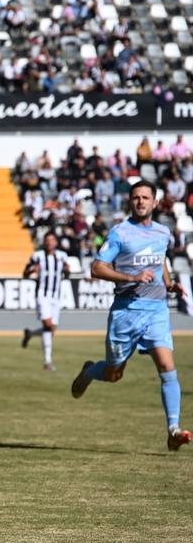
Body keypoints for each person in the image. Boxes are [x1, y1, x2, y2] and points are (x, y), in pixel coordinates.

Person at [71, 180, 192, 452]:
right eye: (136, 197)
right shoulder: (120, 234)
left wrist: (169, 282)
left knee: (167, 367)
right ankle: (90, 370)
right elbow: (97, 268)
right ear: (130, 201)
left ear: (155, 202)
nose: (140, 201)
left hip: (156, 311)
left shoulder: (162, 233)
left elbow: (158, 259)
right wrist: (131, 277)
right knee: (115, 374)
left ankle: (173, 430)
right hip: (126, 312)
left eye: (145, 197)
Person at [22, 231, 69, 371]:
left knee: (51, 329)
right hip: (43, 295)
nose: (49, 242)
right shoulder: (37, 256)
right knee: (48, 325)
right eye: (47, 240)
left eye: (52, 240)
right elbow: (24, 273)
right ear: (44, 242)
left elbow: (67, 274)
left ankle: (30, 334)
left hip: (56, 296)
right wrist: (32, 270)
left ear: (56, 242)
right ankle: (47, 362)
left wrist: (67, 270)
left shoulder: (62, 256)